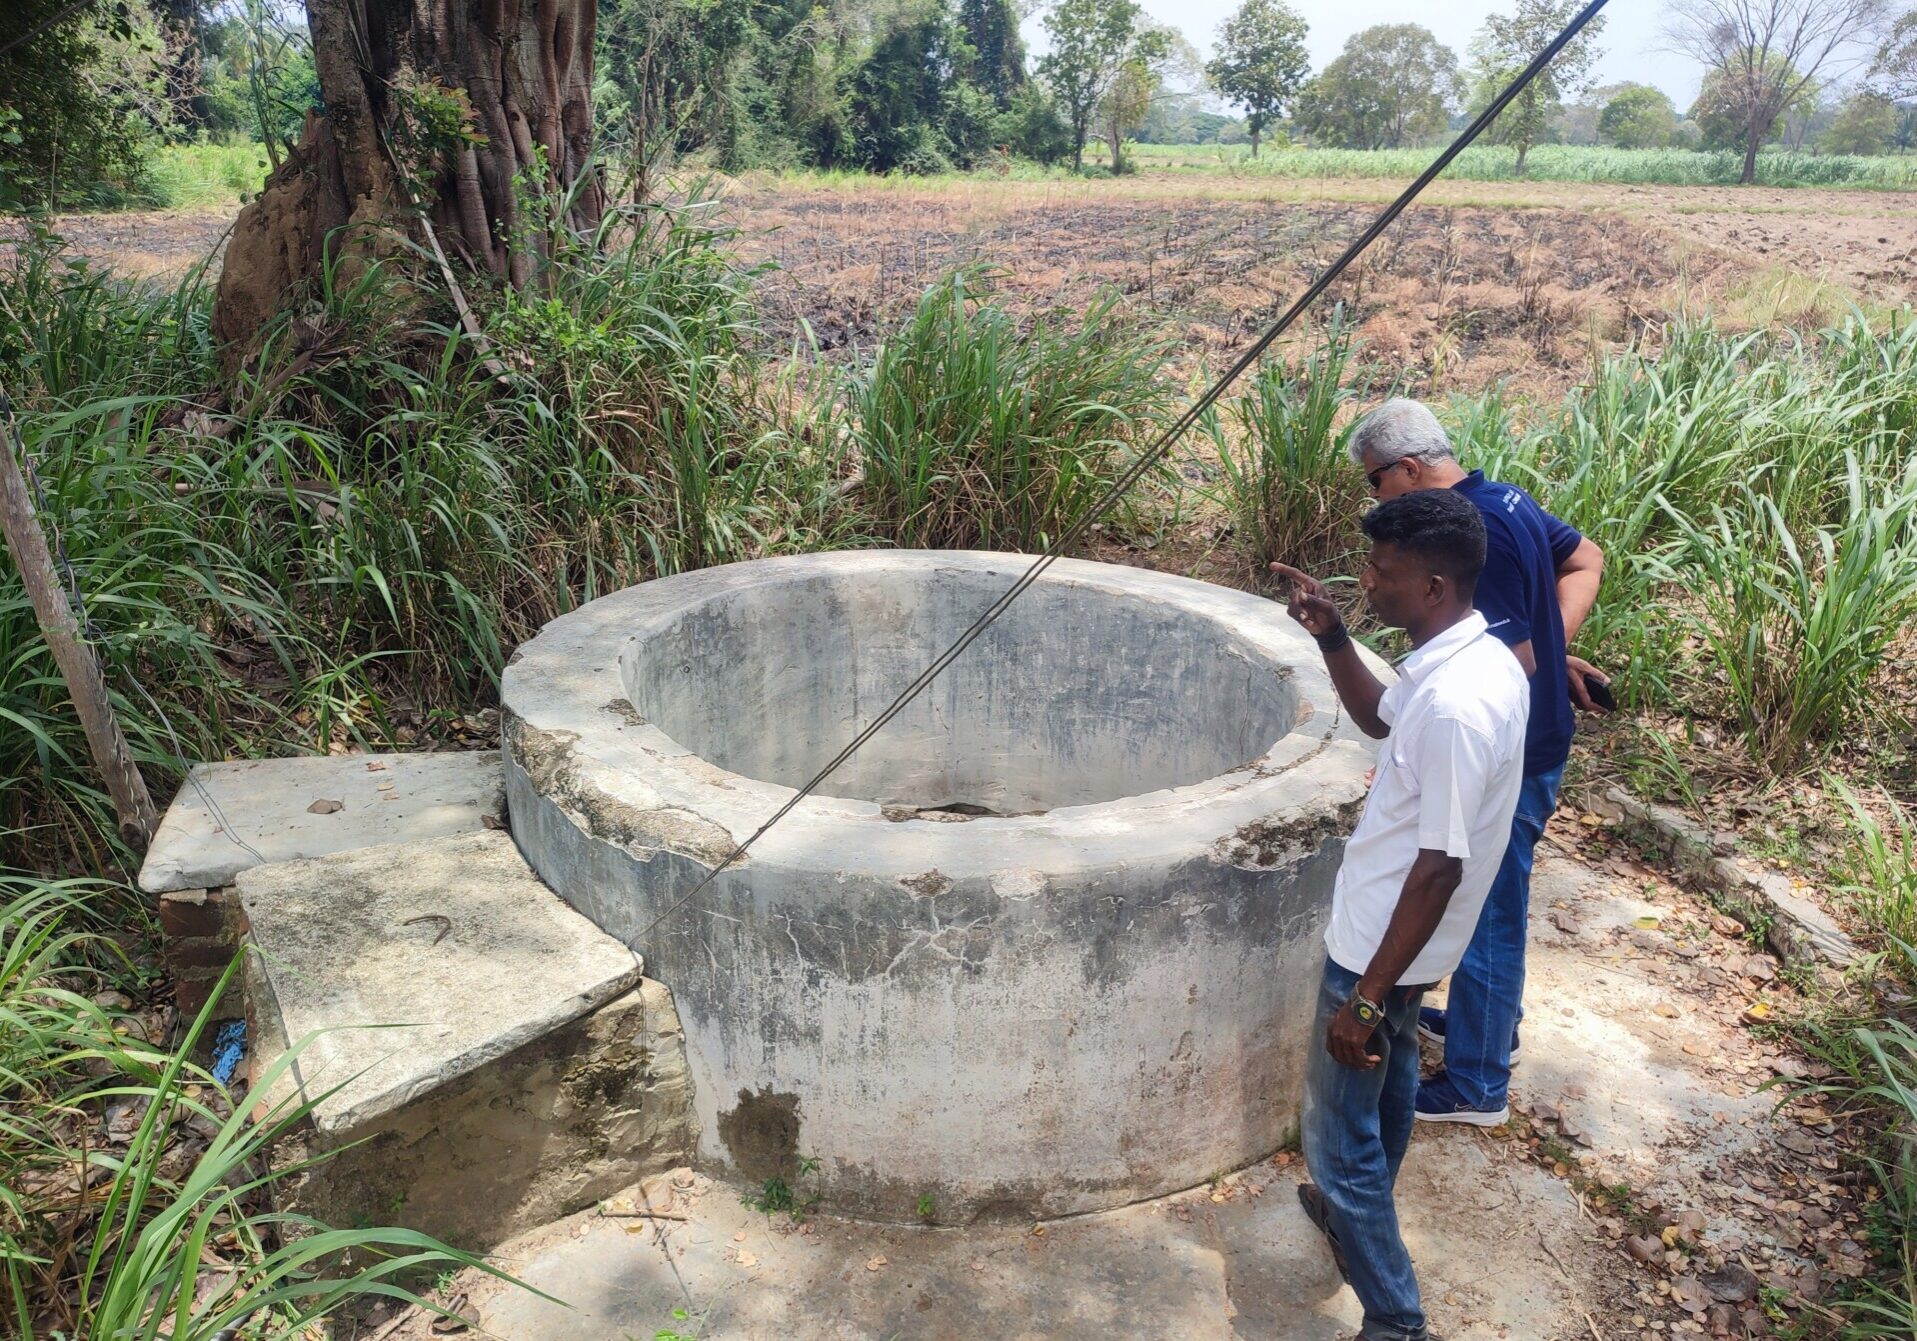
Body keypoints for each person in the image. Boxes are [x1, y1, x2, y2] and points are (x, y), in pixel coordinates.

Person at [1272, 489, 1529, 1341]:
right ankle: (1353, 1218)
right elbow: (1379, 718)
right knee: (1386, 1096)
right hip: (1405, 949)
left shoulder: (1458, 706)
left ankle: (1396, 1316)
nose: (1366, 580)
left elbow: (1439, 864)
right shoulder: (1469, 662)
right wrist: (1332, 634)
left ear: (1431, 584)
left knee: (1338, 1136)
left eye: (1380, 572)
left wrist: (1366, 996)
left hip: (1381, 946)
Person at [1346, 399, 1607, 1126]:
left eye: (1374, 483)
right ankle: (1482, 1025)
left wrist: (1542, 654)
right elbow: (1585, 559)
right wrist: (1554, 651)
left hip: (1506, 753)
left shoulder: (1463, 536)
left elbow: (1503, 651)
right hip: (1537, 735)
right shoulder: (1505, 498)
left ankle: (1476, 1082)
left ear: (1407, 468)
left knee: (1484, 905)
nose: (1375, 500)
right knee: (1494, 898)